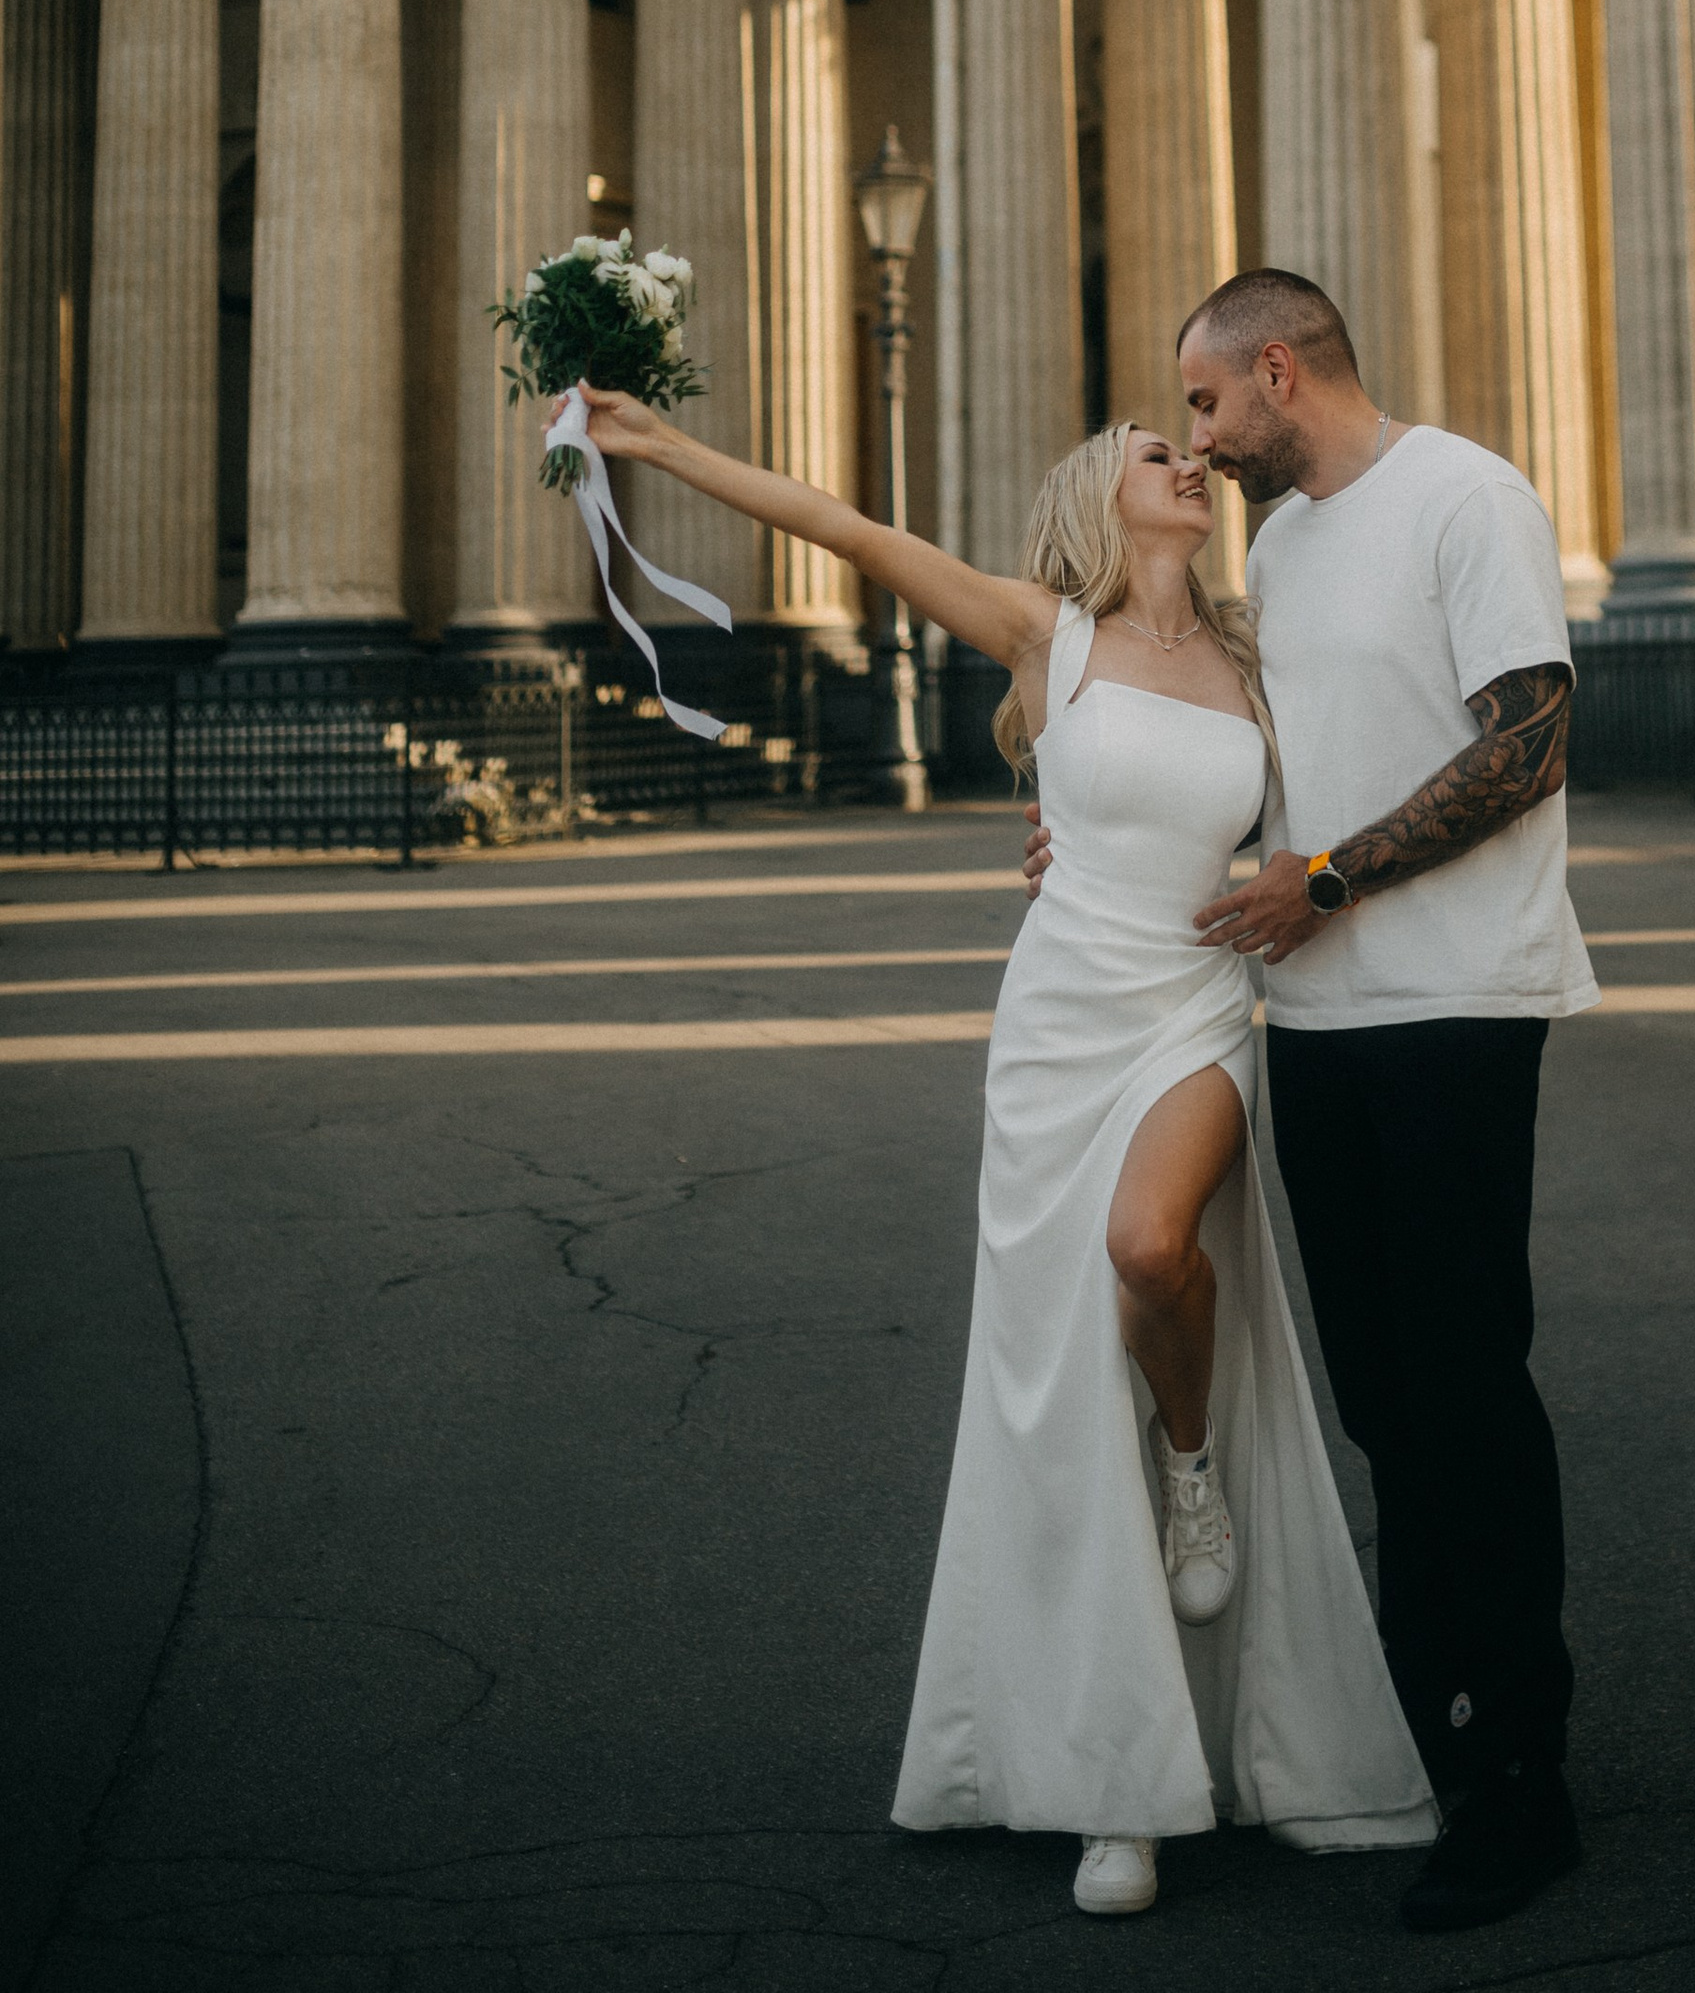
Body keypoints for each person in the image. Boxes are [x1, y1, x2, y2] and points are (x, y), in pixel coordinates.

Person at [554, 384, 1434, 1919]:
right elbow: (846, 527)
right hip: (1057, 1024)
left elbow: (1341, 796)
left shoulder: (1257, 656)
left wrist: (1321, 880)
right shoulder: (1049, 634)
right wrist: (662, 448)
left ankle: (1194, 1466)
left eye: (1194, 451)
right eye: (1161, 454)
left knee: (1152, 1251)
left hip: (1198, 1010)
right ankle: (1111, 1779)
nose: (1193, 463)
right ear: (1104, 501)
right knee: (1048, 1399)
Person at [1177, 269, 1597, 1933]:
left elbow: (1531, 743)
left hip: (1454, 1013)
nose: (1197, 443)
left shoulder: (1468, 498)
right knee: (1381, 1403)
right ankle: (1446, 1729)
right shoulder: (1279, 547)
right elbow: (1289, 778)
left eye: (1209, 404)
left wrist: (1332, 878)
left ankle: (1524, 1782)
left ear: (1280, 369)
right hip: (1320, 1017)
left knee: (1465, 1388)